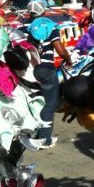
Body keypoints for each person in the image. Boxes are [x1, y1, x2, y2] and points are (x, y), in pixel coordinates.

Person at [21, 16, 73, 149]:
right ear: (43, 11)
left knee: (33, 102)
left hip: (29, 71)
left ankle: (31, 135)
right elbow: (60, 50)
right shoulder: (49, 27)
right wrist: (68, 59)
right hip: (47, 70)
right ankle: (44, 139)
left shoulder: (25, 27)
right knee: (49, 104)